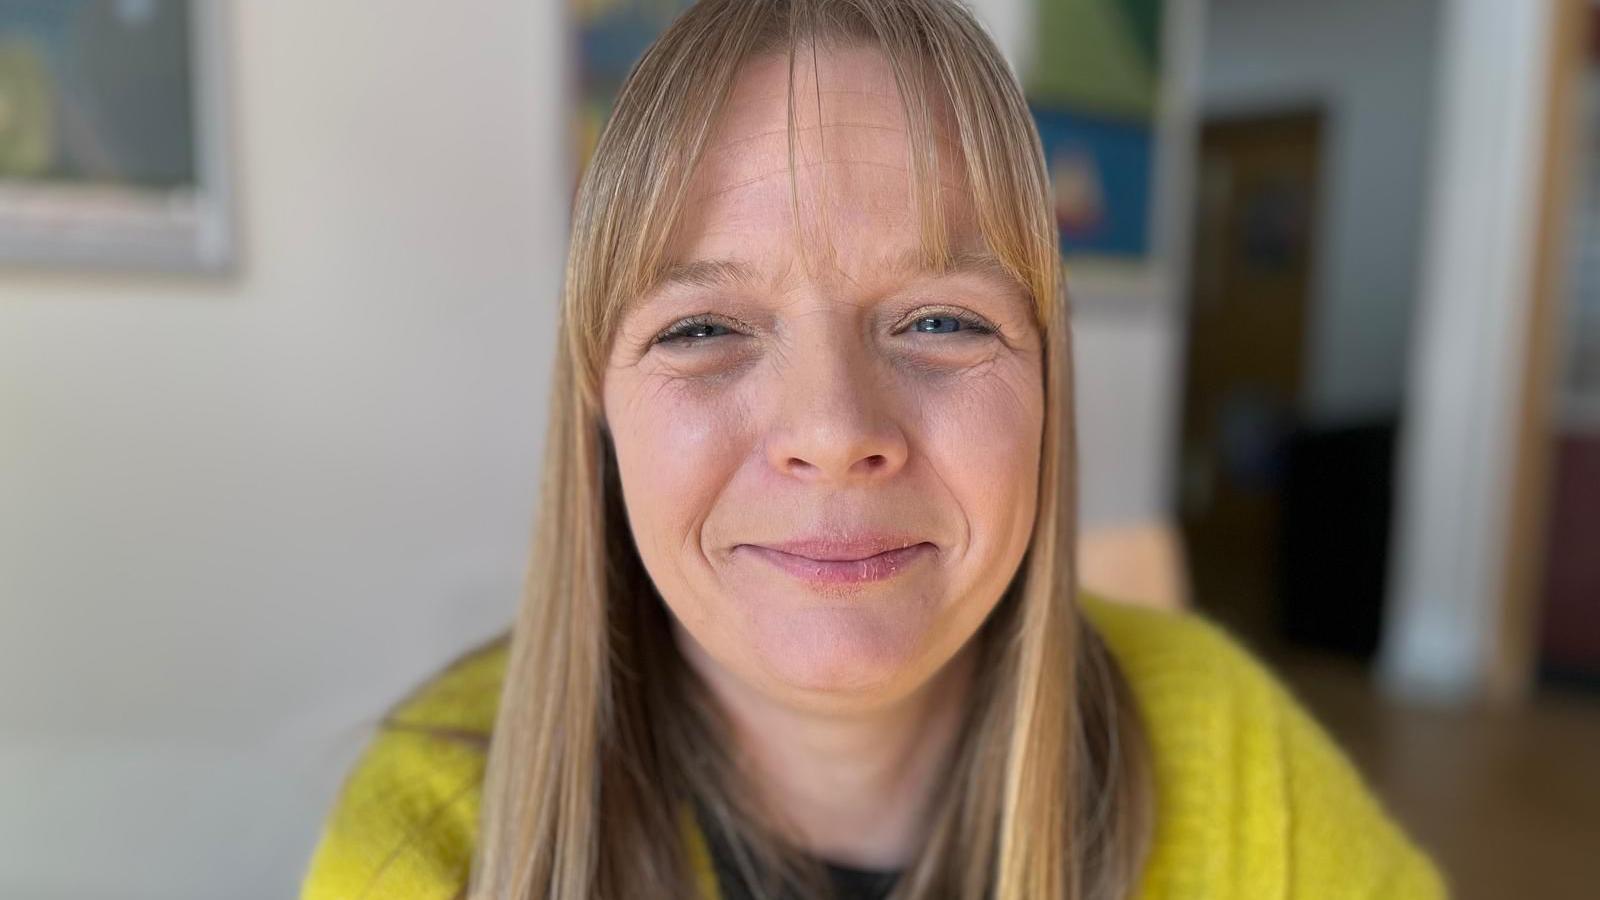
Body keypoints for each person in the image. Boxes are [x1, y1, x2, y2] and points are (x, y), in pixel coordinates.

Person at [299, 1, 1447, 898]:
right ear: (597, 403)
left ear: (1048, 382)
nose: (834, 432)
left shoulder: (1232, 758)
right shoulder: (431, 839)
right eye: (702, 329)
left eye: (941, 319)